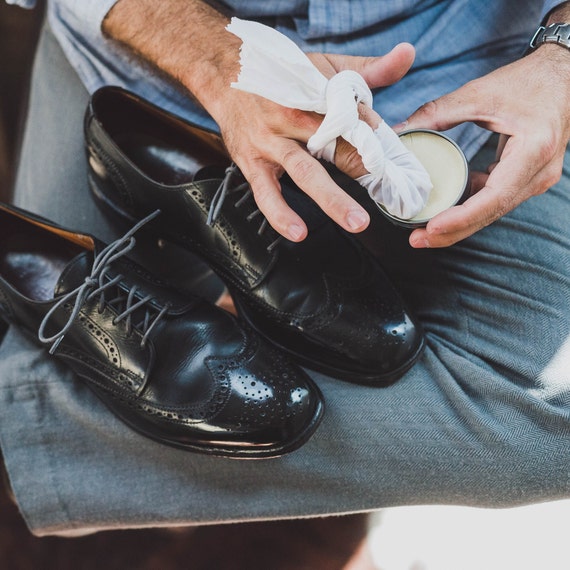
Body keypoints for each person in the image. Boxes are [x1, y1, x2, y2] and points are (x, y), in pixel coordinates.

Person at [0, 0, 568, 552]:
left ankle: (41, 434)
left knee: (555, 421)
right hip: (150, 52)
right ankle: (69, 447)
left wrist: (560, 58)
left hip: (460, 76)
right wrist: (217, 60)